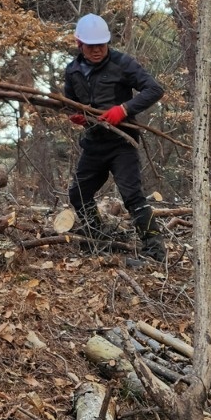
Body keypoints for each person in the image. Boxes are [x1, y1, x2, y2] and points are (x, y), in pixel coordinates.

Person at [63, 13, 167, 262]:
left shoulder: (123, 63)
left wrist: (124, 109)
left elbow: (154, 89)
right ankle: (96, 238)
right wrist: (77, 115)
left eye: (102, 44)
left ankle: (154, 251)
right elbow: (70, 103)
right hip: (93, 144)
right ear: (80, 44)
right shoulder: (73, 71)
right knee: (78, 194)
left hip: (122, 143)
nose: (97, 50)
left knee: (132, 196)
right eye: (91, 46)